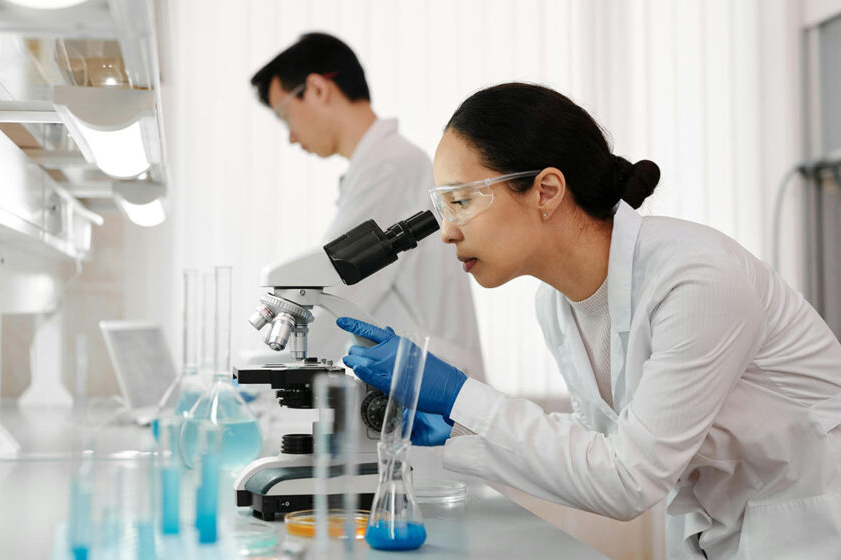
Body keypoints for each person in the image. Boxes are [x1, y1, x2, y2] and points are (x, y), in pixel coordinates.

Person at [338, 82, 841, 559]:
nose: (446, 233)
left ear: (547, 190)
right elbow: (601, 443)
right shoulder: (556, 305)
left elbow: (628, 478)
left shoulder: (696, 278)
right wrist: (460, 428)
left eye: (461, 202)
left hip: (812, 528)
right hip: (725, 528)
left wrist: (459, 394)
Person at [250, 32, 483, 378]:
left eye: (285, 116)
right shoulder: (383, 165)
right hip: (419, 379)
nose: (291, 137)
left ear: (316, 89)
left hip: (434, 388)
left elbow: (336, 284)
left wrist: (260, 374)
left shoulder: (390, 168)